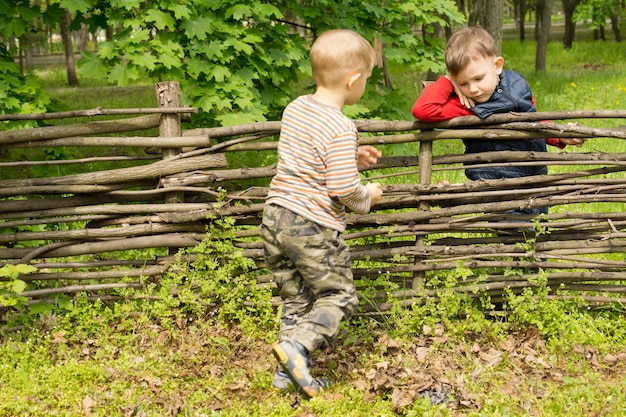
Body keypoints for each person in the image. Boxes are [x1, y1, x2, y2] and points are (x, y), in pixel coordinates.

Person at [259, 29, 383, 398]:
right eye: (367, 81)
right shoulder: (342, 126)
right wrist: (368, 196)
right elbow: (342, 189)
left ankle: (289, 376)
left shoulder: (296, 107)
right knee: (339, 294)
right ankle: (298, 348)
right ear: (353, 80)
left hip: (275, 217)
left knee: (297, 297)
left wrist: (350, 157)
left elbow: (308, 156)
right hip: (309, 224)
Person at [412, 26, 585, 216]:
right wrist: (447, 81)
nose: (473, 89)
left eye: (479, 78)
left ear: (497, 66)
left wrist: (559, 137)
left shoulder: (517, 86)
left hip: (534, 173)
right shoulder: (465, 105)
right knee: (514, 234)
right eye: (464, 83)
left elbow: (532, 120)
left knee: (537, 228)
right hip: (497, 185)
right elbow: (423, 110)